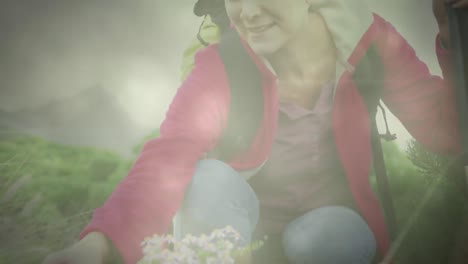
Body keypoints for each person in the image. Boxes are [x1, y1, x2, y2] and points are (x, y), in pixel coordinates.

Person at [43, 0, 468, 263]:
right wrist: (97, 246)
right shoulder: (225, 62)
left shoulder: (370, 44)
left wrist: (452, 33)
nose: (246, 11)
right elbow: (167, 159)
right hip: (238, 225)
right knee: (206, 183)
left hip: (327, 225)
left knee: (328, 240)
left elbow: (448, 132)